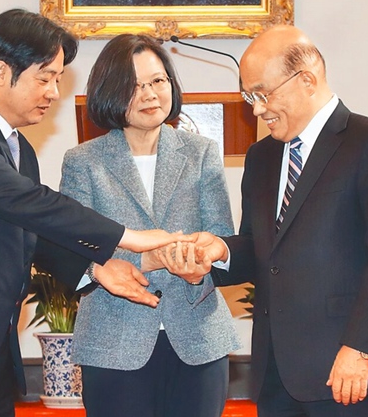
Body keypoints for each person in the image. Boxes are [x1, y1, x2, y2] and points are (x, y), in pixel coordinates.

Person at [0, 9, 185, 417]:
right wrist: (130, 236)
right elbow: (33, 204)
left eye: (58, 79)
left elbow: (31, 233)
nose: (54, 92)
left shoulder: (17, 148)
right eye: (45, 78)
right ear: (1, 71)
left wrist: (97, 269)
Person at [178, 25, 368, 416]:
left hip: (349, 371)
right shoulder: (261, 157)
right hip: (276, 376)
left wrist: (359, 348)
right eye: (249, 97)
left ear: (306, 80)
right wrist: (219, 251)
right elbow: (262, 248)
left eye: (263, 94)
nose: (257, 110)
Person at [59, 33, 241, 417]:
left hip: (197, 338)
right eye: (134, 85)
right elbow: (74, 251)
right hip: (113, 342)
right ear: (110, 91)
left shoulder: (202, 152)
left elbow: (221, 235)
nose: (150, 94)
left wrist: (199, 265)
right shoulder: (83, 162)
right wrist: (149, 259)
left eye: (158, 81)